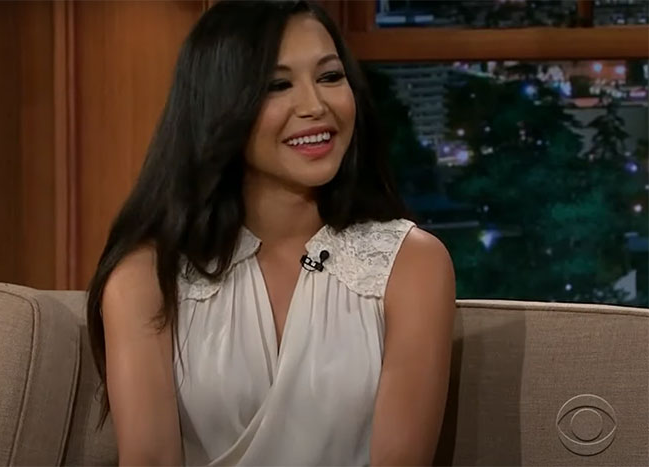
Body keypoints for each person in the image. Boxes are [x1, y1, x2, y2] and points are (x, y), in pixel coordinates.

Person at [86, 1, 456, 465]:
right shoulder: (146, 277)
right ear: (221, 106)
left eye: (330, 77)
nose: (316, 106)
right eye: (278, 85)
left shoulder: (411, 264)